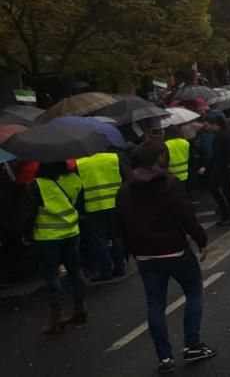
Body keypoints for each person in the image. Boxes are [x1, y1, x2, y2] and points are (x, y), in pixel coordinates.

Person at [115, 141, 216, 373]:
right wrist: (201, 241)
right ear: (160, 157)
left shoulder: (125, 189)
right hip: (175, 250)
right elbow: (186, 216)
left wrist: (133, 251)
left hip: (145, 256)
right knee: (193, 291)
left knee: (155, 305)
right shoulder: (169, 183)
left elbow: (119, 225)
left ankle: (164, 358)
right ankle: (192, 345)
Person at [21, 160, 87, 334]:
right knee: (76, 270)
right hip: (72, 232)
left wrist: (26, 234)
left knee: (52, 276)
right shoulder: (74, 179)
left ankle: (57, 318)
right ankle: (80, 309)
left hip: (47, 237)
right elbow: (79, 204)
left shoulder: (36, 185)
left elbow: (30, 213)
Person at [75, 145, 129, 282]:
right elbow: (126, 179)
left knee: (99, 240)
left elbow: (78, 189)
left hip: (93, 207)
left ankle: (106, 270)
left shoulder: (80, 164)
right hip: (115, 203)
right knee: (116, 236)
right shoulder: (114, 158)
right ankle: (120, 267)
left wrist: (80, 209)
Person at [198, 114, 230, 226]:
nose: (206, 128)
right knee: (224, 190)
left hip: (222, 167)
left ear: (215, 124)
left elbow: (219, 154)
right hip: (226, 166)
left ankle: (228, 213)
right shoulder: (228, 133)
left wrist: (211, 166)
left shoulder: (220, 136)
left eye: (208, 125)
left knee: (218, 189)